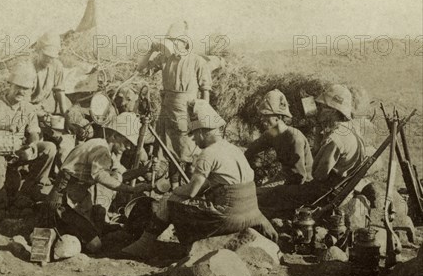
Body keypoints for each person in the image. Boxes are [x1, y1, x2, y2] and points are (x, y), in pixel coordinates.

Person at [122, 101, 278, 260]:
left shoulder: (208, 153)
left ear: (203, 132)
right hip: (251, 213)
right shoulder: (233, 149)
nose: (194, 141)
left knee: (169, 201)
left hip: (229, 215)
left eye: (194, 135)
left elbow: (192, 191)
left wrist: (174, 191)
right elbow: (213, 184)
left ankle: (144, 245)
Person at [46, 112, 152, 252]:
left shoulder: (103, 148)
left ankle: (66, 229)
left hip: (75, 198)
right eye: (126, 142)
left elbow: (118, 176)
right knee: (95, 245)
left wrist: (143, 170)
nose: (128, 147)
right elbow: (100, 176)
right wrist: (131, 189)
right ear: (114, 136)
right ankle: (55, 231)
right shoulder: (101, 149)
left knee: (98, 230)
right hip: (63, 201)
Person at [257, 84, 367, 217]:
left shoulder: (335, 139)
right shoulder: (350, 130)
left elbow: (318, 175)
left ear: (332, 110)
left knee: (277, 193)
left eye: (322, 107)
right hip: (339, 189)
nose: (318, 110)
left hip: (325, 193)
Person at [137, 20, 212, 186]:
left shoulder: (197, 61)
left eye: (174, 41)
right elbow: (141, 69)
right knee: (167, 150)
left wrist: (202, 116)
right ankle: (173, 187)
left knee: (188, 153)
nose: (171, 45)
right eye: (169, 41)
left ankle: (192, 188)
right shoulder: (165, 59)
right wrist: (151, 50)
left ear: (184, 42)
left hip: (188, 111)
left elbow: (205, 90)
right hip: (167, 109)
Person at [0, 62, 57, 215]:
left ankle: (28, 190)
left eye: (26, 88)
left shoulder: (28, 108)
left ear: (31, 90)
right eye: (18, 86)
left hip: (16, 150)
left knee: (49, 148)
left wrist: (32, 146)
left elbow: (34, 131)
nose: (21, 91)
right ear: (10, 85)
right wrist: (4, 128)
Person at [245, 89, 313, 185]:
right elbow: (251, 151)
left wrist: (274, 189)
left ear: (279, 117)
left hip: (301, 185)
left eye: (266, 115)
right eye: (262, 116)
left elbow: (299, 177)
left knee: (259, 197)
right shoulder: (273, 133)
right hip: (285, 178)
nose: (262, 120)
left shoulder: (294, 138)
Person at [31, 31, 74, 165]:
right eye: (46, 56)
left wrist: (65, 114)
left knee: (64, 137)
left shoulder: (56, 66)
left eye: (51, 57)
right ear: (38, 51)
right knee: (35, 140)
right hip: (28, 109)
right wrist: (39, 113)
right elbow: (21, 100)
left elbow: (60, 91)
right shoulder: (29, 67)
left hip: (45, 108)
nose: (48, 60)